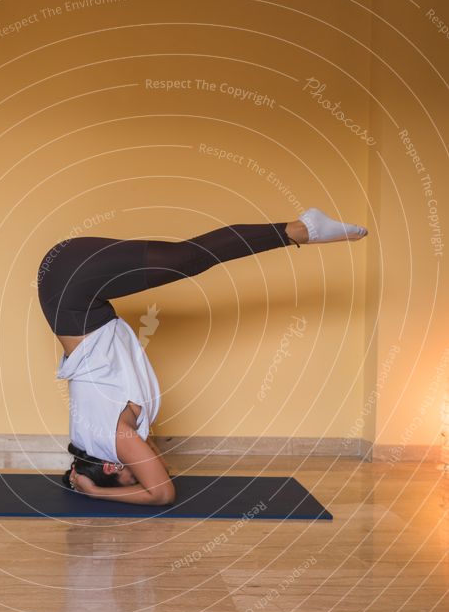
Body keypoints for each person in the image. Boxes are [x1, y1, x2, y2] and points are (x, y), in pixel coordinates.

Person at [37, 207, 367, 505]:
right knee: (185, 259)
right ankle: (301, 229)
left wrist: (95, 493)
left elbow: (161, 493)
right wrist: (89, 480)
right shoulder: (99, 438)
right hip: (68, 287)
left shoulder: (115, 438)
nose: (142, 471)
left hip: (69, 285)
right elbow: (160, 468)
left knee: (186, 260)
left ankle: (302, 229)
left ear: (112, 466)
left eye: (131, 476)